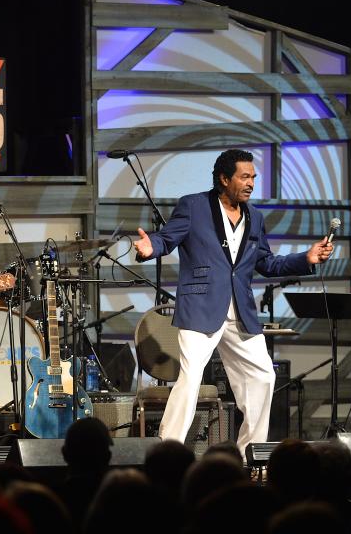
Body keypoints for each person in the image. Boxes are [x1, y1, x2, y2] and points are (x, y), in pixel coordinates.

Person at [133, 149, 333, 453]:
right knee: (190, 378)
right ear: (224, 179)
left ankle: (250, 454)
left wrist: (305, 258)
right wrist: (151, 247)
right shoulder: (194, 206)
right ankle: (167, 451)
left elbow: (266, 263)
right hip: (202, 306)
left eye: (253, 177)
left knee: (263, 376)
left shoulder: (254, 217)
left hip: (239, 311)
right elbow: (167, 238)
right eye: (245, 176)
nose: (251, 182)